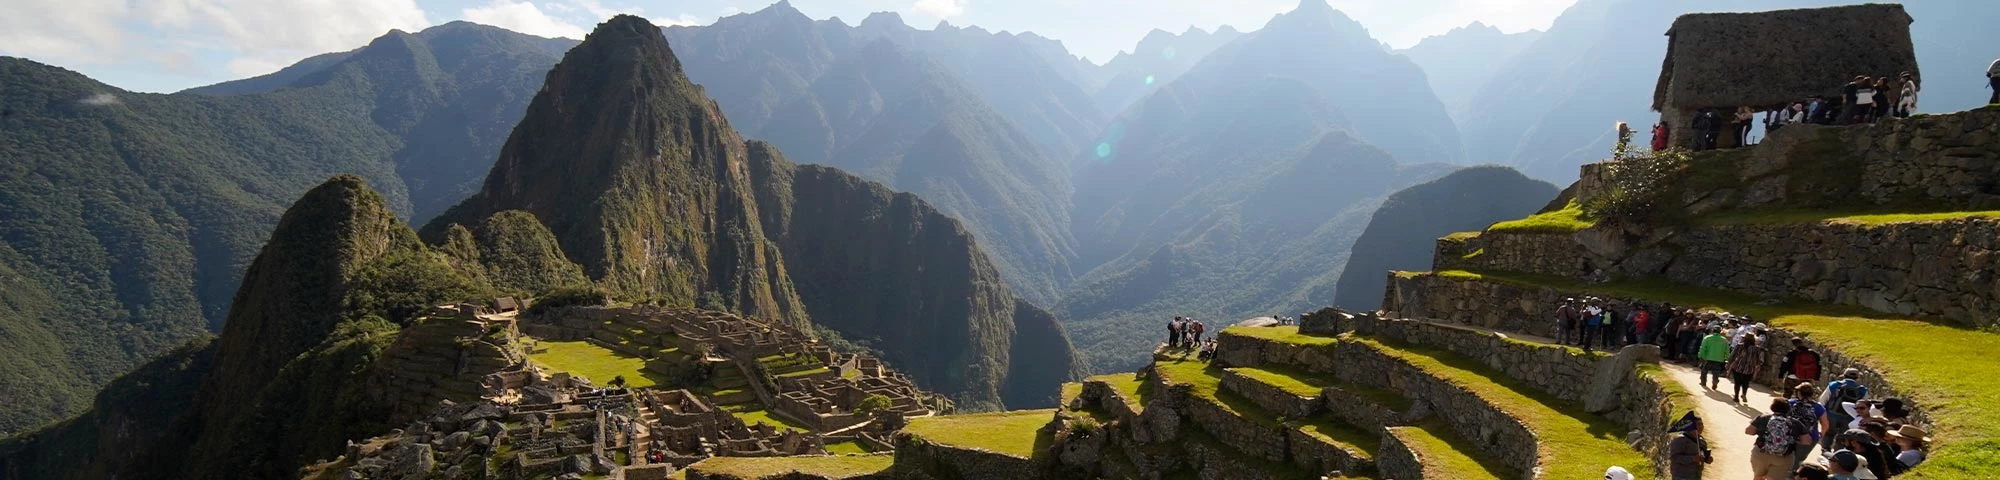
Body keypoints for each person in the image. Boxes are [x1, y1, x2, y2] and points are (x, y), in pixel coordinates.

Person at [1749, 399, 1811, 480]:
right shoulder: (1796, 422)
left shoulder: (1764, 417)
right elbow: (1806, 441)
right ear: (1788, 409)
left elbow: (1749, 431)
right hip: (1784, 457)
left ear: (1772, 407)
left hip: (1761, 453)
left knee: (1758, 477)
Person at [1821, 369, 1870, 449]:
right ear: (1857, 377)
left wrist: (1822, 415)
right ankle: (1838, 452)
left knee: (1829, 433)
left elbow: (1822, 401)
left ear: (1844, 375)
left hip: (1832, 414)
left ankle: (1825, 450)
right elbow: (1865, 405)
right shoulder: (1863, 390)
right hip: (1849, 417)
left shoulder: (1833, 385)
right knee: (1843, 437)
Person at [1790, 383, 1832, 470]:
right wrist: (1821, 435)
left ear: (1799, 392)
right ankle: (1793, 474)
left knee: (1785, 457)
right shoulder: (1819, 407)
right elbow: (1825, 424)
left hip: (1790, 434)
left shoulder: (1791, 403)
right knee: (1798, 460)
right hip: (1810, 437)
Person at [1668, 412, 1711, 480]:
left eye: (1702, 424)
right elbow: (1674, 458)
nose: (1701, 427)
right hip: (1681, 477)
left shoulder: (1701, 440)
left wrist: (1707, 459)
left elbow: (1702, 455)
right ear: (1690, 426)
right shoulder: (1680, 440)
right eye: (1698, 424)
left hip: (1696, 476)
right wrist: (1692, 458)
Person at [1727, 335, 1763, 403]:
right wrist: (1757, 365)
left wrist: (1729, 363)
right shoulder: (1757, 349)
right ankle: (1744, 394)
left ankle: (1736, 397)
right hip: (1749, 369)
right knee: (1745, 383)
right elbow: (1759, 359)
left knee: (1737, 383)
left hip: (1738, 367)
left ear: (1744, 339)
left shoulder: (1739, 346)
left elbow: (1732, 355)